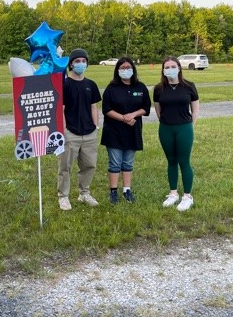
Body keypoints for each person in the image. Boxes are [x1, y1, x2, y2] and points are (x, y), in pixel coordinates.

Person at [100, 57, 151, 204]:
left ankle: (127, 190)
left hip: (133, 130)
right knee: (115, 163)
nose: (125, 70)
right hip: (114, 131)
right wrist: (124, 118)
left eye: (128, 67)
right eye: (122, 68)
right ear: (117, 70)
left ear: (133, 69)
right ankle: (113, 191)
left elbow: (146, 108)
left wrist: (133, 115)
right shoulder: (111, 88)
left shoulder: (140, 87)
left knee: (128, 163)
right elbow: (106, 109)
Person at [153, 56, 199, 212]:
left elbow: (195, 109)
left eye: (173, 66)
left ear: (179, 68)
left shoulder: (189, 86)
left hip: (184, 128)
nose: (170, 69)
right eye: (167, 67)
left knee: (184, 161)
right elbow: (158, 110)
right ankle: (173, 193)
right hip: (166, 128)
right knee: (171, 161)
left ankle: (187, 196)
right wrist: (166, 122)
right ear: (163, 70)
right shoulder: (159, 89)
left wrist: (189, 126)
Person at [57, 48, 102, 211]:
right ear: (71, 64)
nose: (81, 64)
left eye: (83, 61)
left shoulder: (91, 85)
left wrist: (96, 127)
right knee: (65, 167)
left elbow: (94, 107)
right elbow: (60, 109)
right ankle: (63, 196)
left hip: (89, 132)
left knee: (89, 165)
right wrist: (63, 131)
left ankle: (84, 193)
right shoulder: (65, 84)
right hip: (70, 132)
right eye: (77, 61)